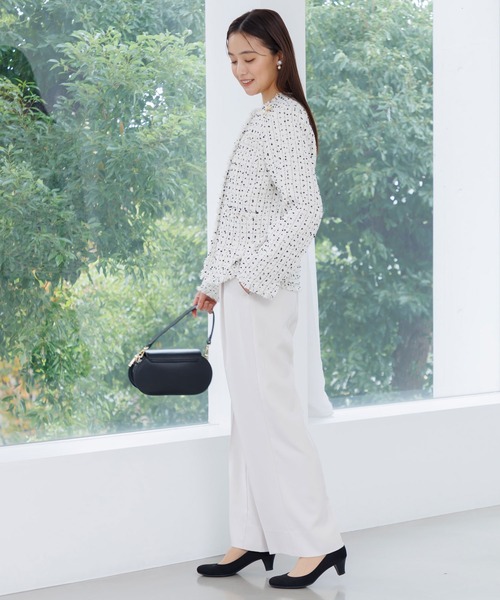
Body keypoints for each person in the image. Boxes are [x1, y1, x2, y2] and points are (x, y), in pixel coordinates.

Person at [193, 9, 346, 590]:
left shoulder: (285, 120)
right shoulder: (263, 118)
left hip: (262, 290)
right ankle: (250, 536)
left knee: (274, 415)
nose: (239, 69)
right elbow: (240, 217)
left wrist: (251, 277)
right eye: (232, 59)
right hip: (241, 289)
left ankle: (318, 542)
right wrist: (213, 282)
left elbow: (306, 210)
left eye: (250, 57)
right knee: (250, 416)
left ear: (279, 55)